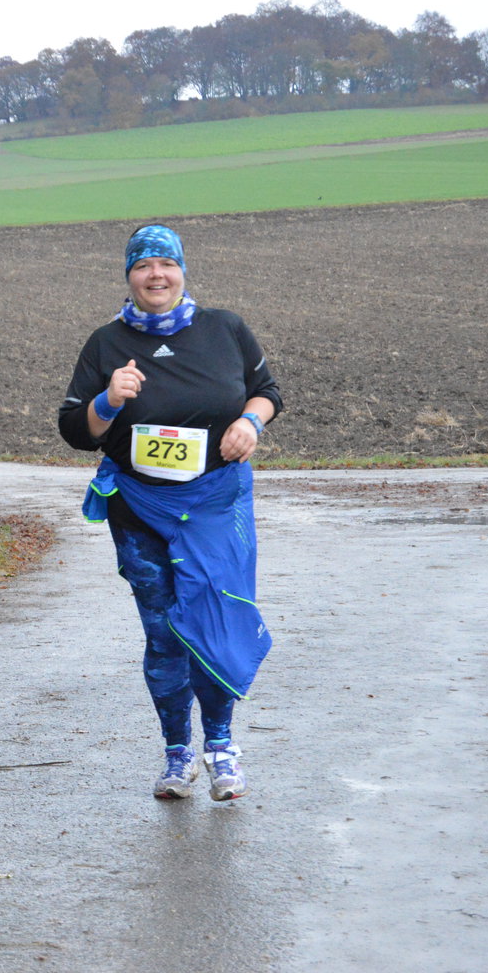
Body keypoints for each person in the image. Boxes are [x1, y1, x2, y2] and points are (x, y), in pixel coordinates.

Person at [58, 223, 282, 802]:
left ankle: (222, 747)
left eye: (166, 264)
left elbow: (268, 392)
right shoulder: (106, 343)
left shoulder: (225, 329)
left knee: (213, 618)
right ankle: (177, 753)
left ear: (181, 271)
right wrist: (108, 400)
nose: (155, 275)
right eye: (143, 265)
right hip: (139, 507)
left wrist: (249, 422)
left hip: (215, 502)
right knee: (163, 633)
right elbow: (75, 430)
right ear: (128, 275)